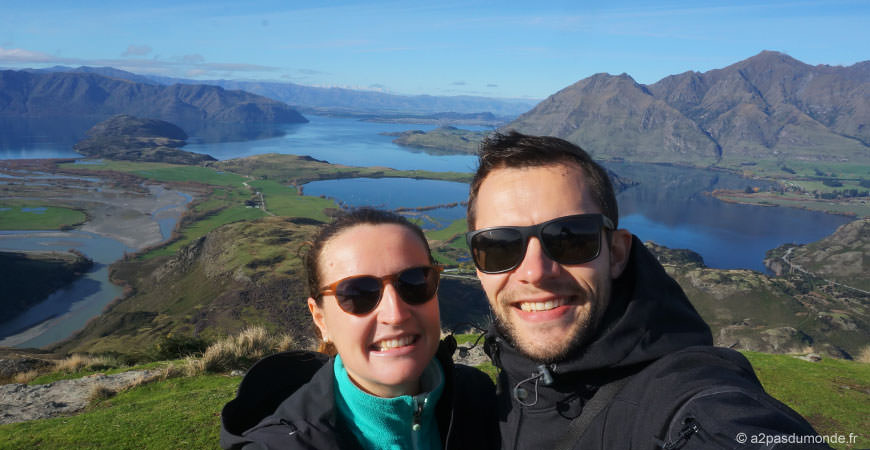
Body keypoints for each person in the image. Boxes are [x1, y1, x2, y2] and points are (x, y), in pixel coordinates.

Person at [465, 131, 830, 449]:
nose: (535, 272)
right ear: (478, 266)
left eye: (571, 239)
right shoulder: (482, 397)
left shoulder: (681, 397)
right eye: (499, 246)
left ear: (617, 253)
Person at [220, 208, 498, 449]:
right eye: (358, 294)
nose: (395, 314)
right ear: (321, 319)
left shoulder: (481, 399)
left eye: (414, 281)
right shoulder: (279, 444)